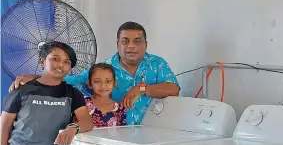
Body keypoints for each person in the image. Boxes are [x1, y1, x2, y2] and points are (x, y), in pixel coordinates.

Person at [9, 21, 180, 125]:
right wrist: (39, 77)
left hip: (152, 134)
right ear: (118, 44)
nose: (131, 46)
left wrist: (141, 89)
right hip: (113, 134)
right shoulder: (104, 68)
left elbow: (174, 89)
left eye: (137, 41)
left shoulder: (157, 64)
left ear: (145, 44)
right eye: (125, 41)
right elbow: (70, 81)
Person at [73, 63, 127, 127]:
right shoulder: (82, 103)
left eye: (108, 81)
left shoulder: (120, 109)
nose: (103, 86)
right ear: (89, 84)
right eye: (97, 82)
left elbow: (122, 133)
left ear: (115, 83)